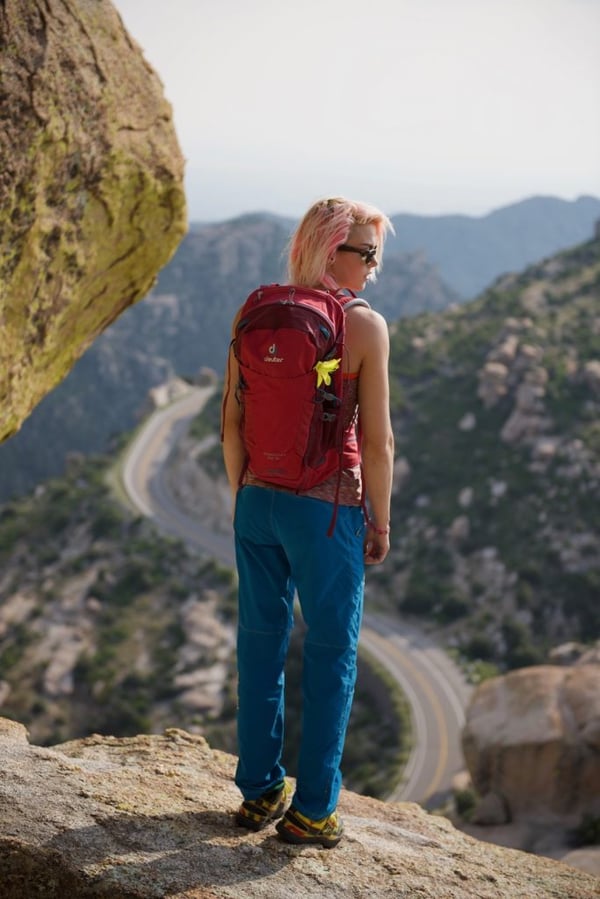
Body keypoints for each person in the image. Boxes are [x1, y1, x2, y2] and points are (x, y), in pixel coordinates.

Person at [221, 196, 394, 848]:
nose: (374, 268)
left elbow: (230, 422)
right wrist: (380, 520)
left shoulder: (254, 310)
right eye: (367, 254)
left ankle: (259, 787)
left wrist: (246, 494)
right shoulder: (364, 326)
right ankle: (313, 808)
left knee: (259, 644)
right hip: (326, 511)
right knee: (329, 655)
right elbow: (377, 443)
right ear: (334, 252)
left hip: (256, 501)